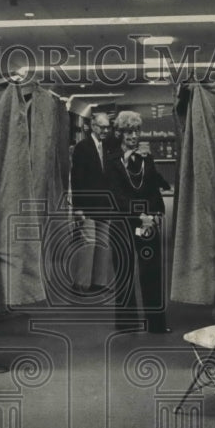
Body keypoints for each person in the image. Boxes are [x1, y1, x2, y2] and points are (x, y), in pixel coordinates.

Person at [107, 110, 172, 334]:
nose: (133, 136)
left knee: (151, 272)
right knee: (124, 273)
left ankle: (156, 324)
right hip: (122, 223)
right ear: (119, 134)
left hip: (146, 224)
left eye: (136, 131)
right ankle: (127, 323)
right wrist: (140, 216)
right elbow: (117, 195)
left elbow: (152, 187)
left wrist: (155, 214)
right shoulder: (111, 160)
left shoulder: (147, 157)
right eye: (127, 132)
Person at [69, 111, 117, 293]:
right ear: (93, 126)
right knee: (88, 244)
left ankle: (99, 283)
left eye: (107, 127)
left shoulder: (109, 147)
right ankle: (81, 283)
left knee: (103, 244)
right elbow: (77, 179)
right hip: (88, 206)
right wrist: (78, 208)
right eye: (102, 127)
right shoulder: (82, 147)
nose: (105, 130)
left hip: (105, 206)